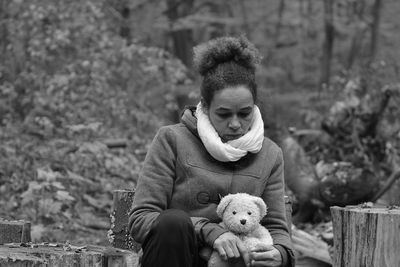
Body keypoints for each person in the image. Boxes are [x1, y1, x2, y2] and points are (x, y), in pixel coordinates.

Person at [128, 36, 295, 267]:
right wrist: (210, 232)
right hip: (176, 259)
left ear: (255, 106)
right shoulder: (171, 139)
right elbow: (141, 219)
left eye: (244, 113)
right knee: (173, 222)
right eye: (224, 114)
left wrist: (281, 254)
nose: (236, 124)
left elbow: (276, 226)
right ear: (205, 107)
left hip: (239, 263)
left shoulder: (270, 154)